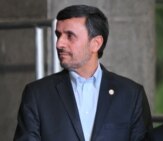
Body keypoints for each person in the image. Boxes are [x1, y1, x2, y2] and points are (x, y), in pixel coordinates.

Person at [14, 4, 152, 141]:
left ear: (96, 43)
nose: (59, 44)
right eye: (58, 35)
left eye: (70, 36)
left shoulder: (131, 95)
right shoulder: (37, 94)